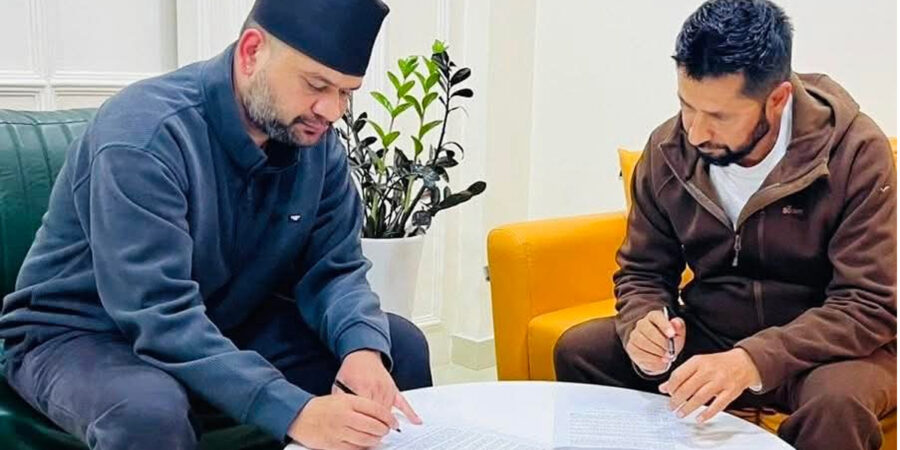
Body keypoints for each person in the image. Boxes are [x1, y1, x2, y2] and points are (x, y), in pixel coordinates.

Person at [0, 1, 432, 449]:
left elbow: (334, 268)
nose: (332, 110)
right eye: (317, 85)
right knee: (149, 413)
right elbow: (159, 313)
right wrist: (294, 411)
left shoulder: (313, 141)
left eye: (346, 92)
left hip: (221, 320)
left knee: (397, 347)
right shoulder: (143, 134)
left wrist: (362, 348)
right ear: (251, 52)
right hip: (84, 334)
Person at [553, 1, 896, 449]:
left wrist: (752, 360)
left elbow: (868, 303)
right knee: (580, 351)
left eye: (719, 117)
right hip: (713, 332)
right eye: (686, 106)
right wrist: (646, 323)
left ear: (778, 100)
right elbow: (643, 272)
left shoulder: (855, 152)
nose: (695, 132)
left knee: (837, 406)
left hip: (824, 352)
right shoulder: (669, 149)